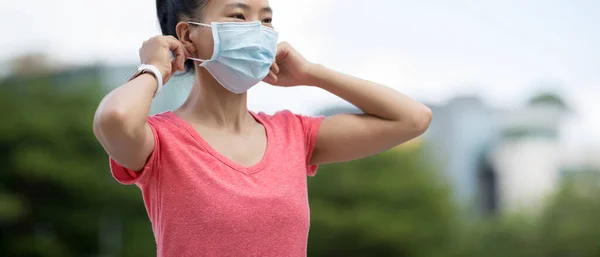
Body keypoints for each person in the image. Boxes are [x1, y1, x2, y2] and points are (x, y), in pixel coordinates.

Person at [92, 0, 432, 256]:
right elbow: (115, 119)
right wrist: (153, 68)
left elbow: (413, 118)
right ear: (187, 35)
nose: (258, 30)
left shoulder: (293, 135)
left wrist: (311, 73)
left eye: (266, 19)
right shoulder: (162, 142)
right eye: (239, 16)